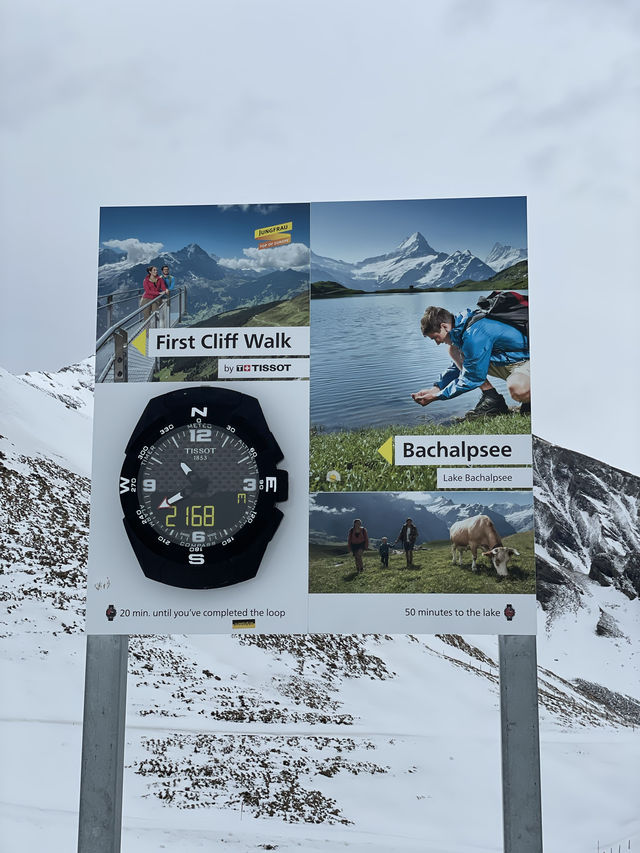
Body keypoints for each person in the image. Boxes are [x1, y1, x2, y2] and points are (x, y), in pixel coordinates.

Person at [411, 304, 530, 418]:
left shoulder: (474, 333)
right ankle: (492, 399)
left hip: (528, 361)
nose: (437, 343)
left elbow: (472, 377)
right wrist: (436, 389)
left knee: (518, 388)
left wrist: (437, 396)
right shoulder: (462, 329)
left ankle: (532, 396)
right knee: (453, 350)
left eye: (436, 337)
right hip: (509, 363)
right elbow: (463, 365)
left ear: (444, 326)